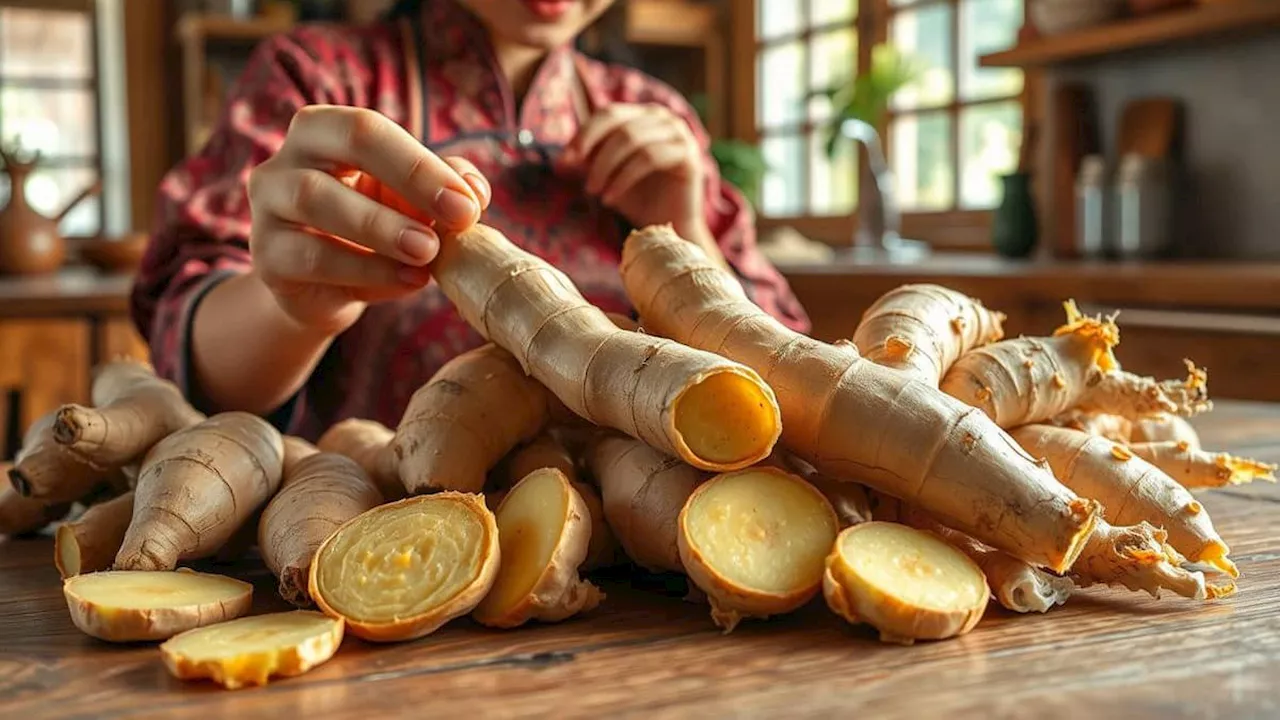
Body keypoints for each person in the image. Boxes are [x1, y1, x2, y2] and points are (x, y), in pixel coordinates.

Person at [132, 0, 809, 439]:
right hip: (371, 540)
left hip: (653, 572)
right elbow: (185, 350)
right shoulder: (315, 80)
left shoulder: (657, 117)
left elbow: (791, 385)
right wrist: (295, 308)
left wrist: (686, 232)